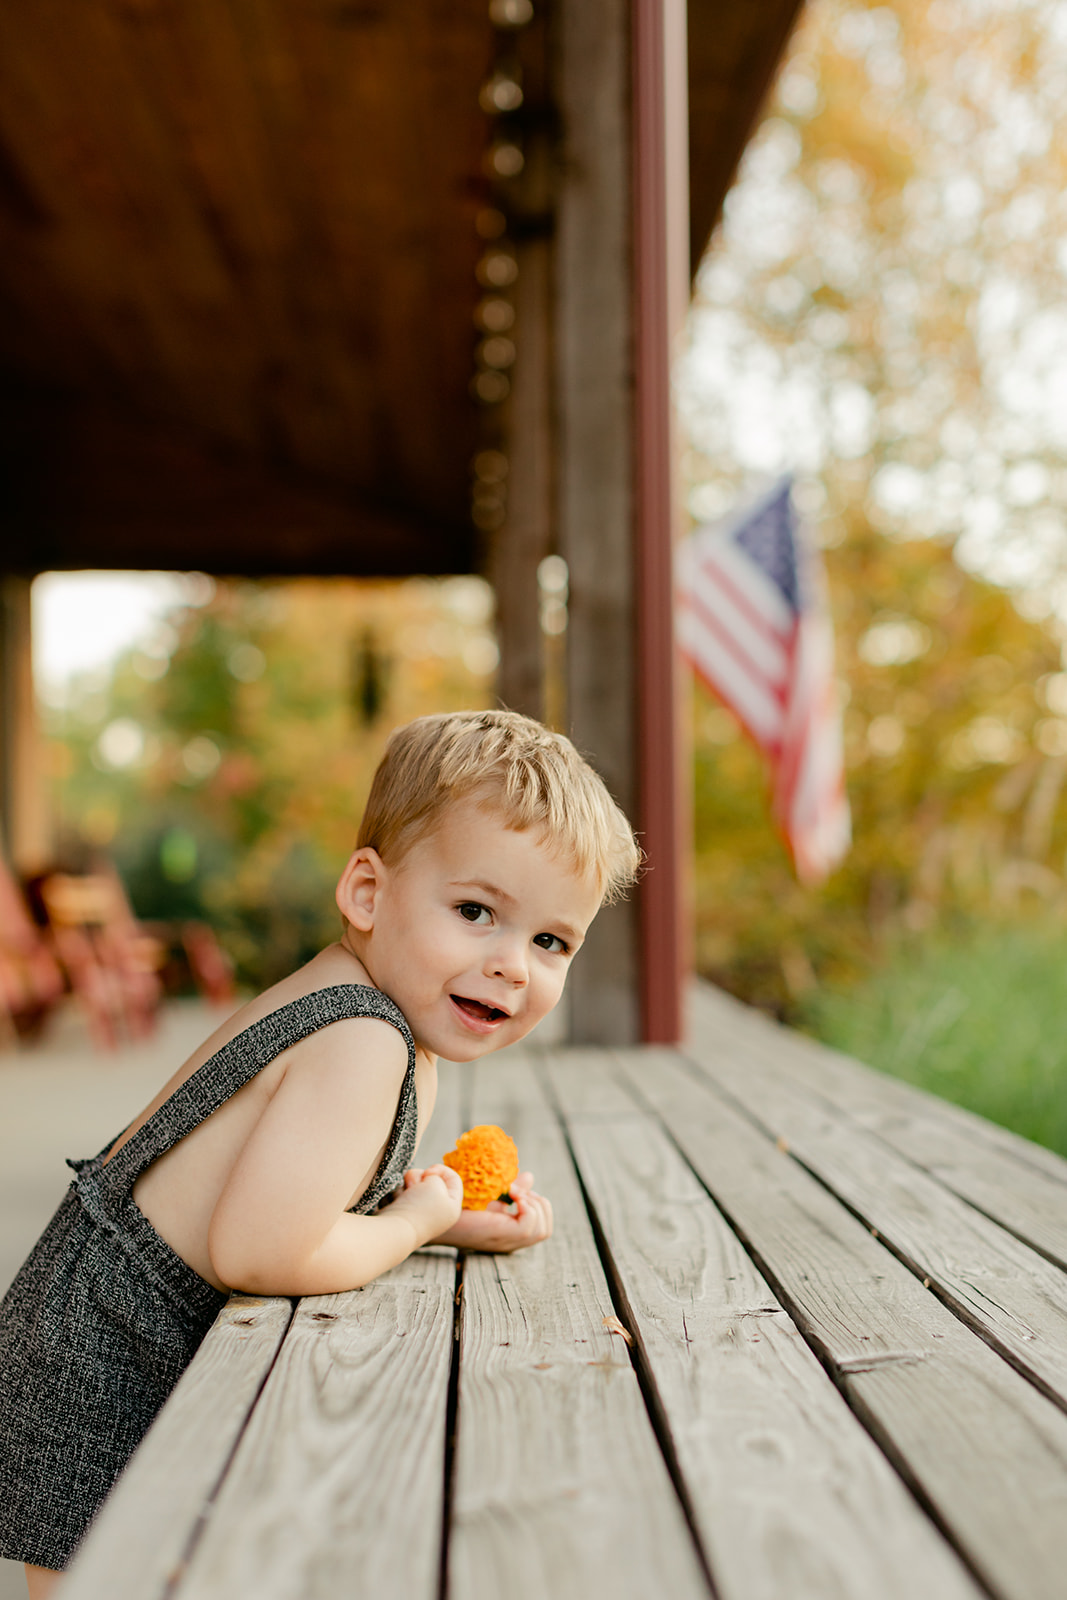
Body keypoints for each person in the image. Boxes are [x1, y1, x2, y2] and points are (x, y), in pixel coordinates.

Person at [0, 709, 640, 1598]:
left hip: (100, 1313)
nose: (511, 965)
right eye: (473, 911)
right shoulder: (363, 1041)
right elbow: (264, 1250)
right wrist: (414, 1223)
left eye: (549, 940)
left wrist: (447, 1217)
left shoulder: (376, 1009)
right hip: (108, 1350)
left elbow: (288, 1201)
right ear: (368, 895)